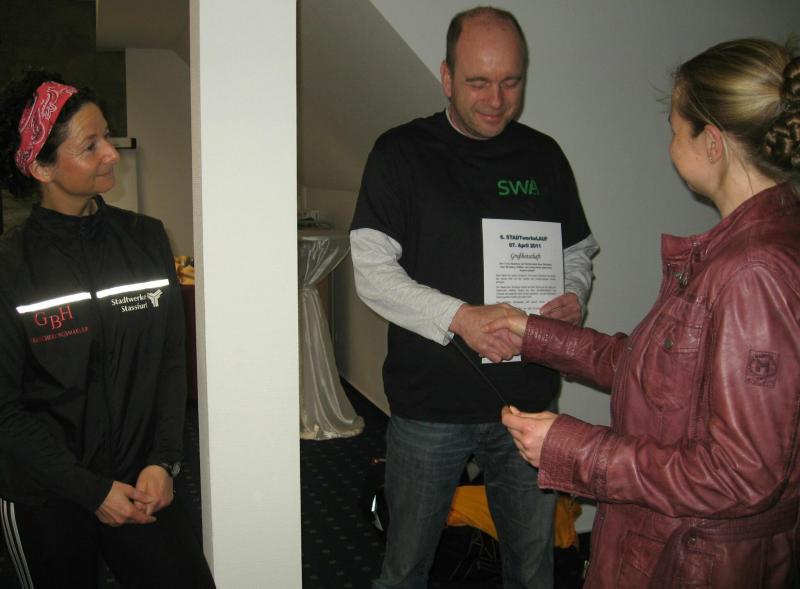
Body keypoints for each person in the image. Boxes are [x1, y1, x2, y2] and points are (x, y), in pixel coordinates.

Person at [487, 38, 800, 588]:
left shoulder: (753, 271)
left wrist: (572, 448)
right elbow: (657, 373)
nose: (670, 146)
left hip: (691, 559)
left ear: (712, 143)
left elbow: (741, 474)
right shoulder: (744, 249)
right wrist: (533, 333)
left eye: (676, 131)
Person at [350, 6, 598, 588]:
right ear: (446, 77)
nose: (496, 100)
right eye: (479, 82)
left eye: (511, 82)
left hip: (529, 403)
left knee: (532, 569)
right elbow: (371, 271)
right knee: (405, 569)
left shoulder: (543, 155)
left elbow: (577, 251)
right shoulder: (400, 152)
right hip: (429, 405)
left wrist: (572, 295)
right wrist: (459, 317)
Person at [0, 70, 215, 588]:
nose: (112, 154)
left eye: (107, 137)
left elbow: (170, 361)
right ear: (41, 167)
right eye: (90, 145)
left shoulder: (145, 240)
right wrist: (91, 490)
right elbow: (4, 410)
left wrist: (163, 461)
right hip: (47, 493)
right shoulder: (10, 266)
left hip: (142, 482)